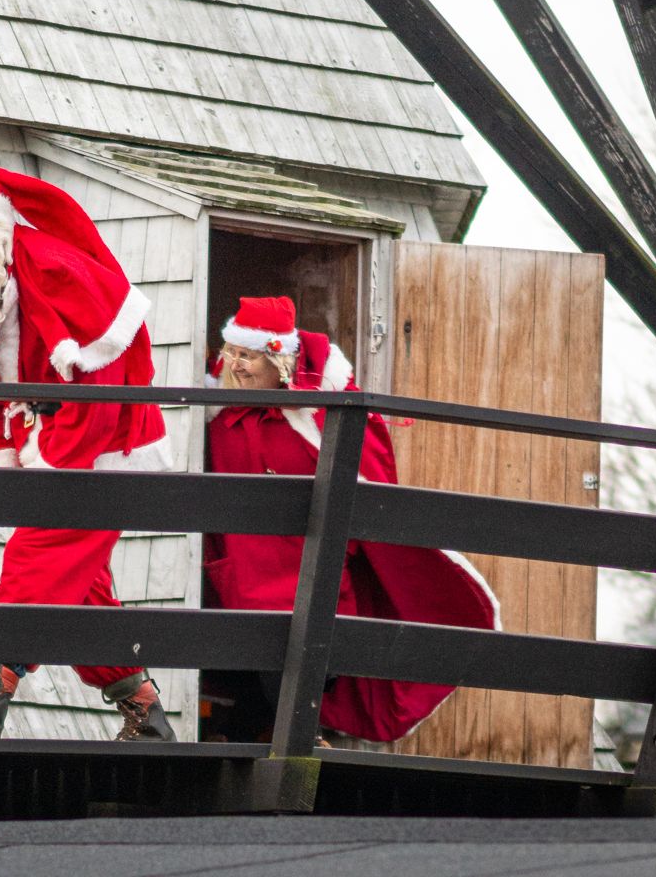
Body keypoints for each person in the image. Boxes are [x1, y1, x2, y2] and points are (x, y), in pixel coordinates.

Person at [0, 165, 177, 742]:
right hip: (52, 448)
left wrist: (58, 460)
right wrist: (3, 450)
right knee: (81, 590)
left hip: (101, 451)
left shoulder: (57, 270)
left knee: (34, 561)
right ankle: (145, 712)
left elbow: (101, 387)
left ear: (1, 223)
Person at [206, 295, 498, 743]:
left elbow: (366, 472)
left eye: (249, 356)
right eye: (234, 354)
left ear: (278, 359)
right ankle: (281, 734)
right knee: (256, 647)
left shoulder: (316, 413)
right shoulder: (220, 411)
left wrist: (358, 539)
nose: (238, 365)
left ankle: (301, 733)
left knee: (318, 645)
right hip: (246, 557)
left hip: (308, 556)